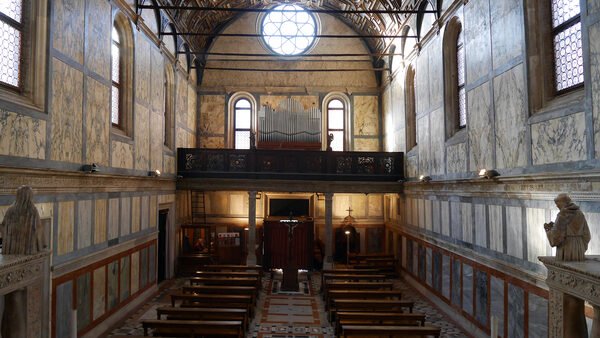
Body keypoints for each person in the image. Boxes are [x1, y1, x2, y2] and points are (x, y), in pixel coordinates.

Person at [544, 193, 591, 261]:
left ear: (563, 202)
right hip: (579, 248)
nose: (557, 206)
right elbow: (587, 235)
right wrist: (581, 247)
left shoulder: (562, 215)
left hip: (566, 247)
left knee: (564, 269)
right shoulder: (580, 214)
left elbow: (556, 237)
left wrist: (548, 229)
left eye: (558, 203)